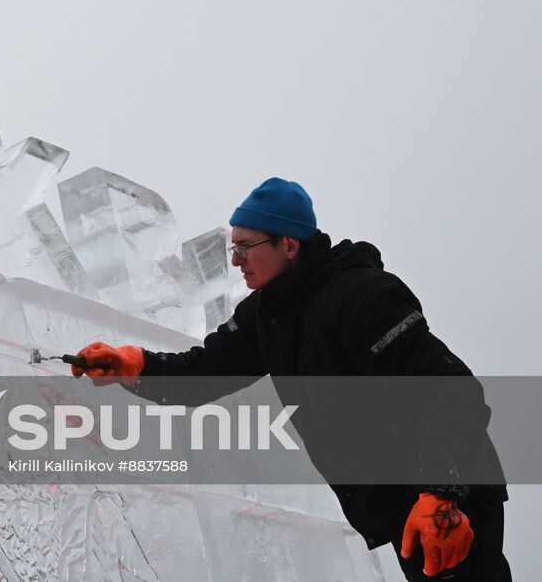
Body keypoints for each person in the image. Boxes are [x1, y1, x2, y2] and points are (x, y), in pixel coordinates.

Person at [71, 178, 510, 580]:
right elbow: (205, 371)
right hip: (401, 505)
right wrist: (136, 366)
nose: (236, 260)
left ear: (289, 244)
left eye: (246, 247)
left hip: (450, 499)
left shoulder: (364, 296)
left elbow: (449, 393)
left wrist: (440, 493)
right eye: (233, 248)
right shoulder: (268, 314)